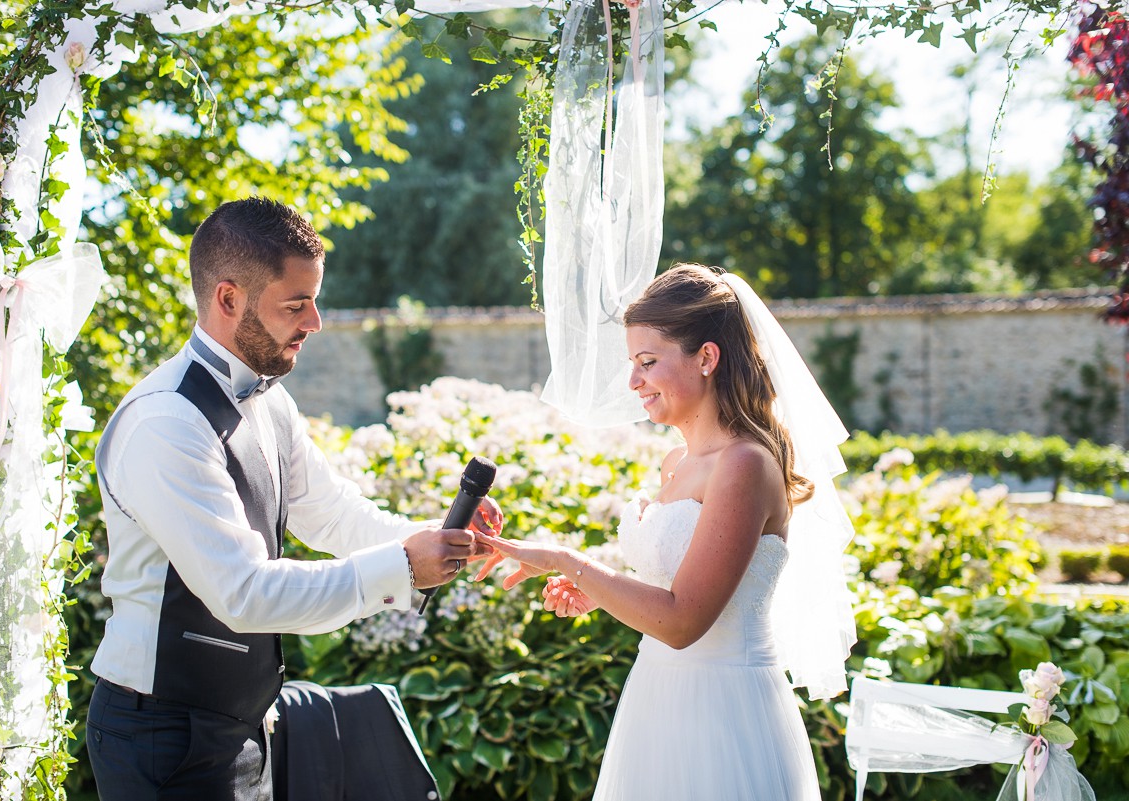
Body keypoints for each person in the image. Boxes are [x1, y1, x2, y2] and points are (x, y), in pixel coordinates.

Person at [85, 197, 500, 801]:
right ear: (229, 300)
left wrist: (442, 538)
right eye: (296, 303)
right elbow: (244, 593)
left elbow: (334, 514)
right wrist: (405, 567)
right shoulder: (164, 422)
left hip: (249, 725)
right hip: (161, 735)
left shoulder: (272, 401)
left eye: (314, 299)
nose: (316, 321)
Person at [477, 264, 855, 800]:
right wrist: (599, 593)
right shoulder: (675, 462)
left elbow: (682, 621)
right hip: (656, 701)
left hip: (724, 715)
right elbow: (670, 590)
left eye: (648, 363)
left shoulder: (744, 464)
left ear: (706, 357)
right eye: (633, 364)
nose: (633, 382)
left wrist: (570, 562)